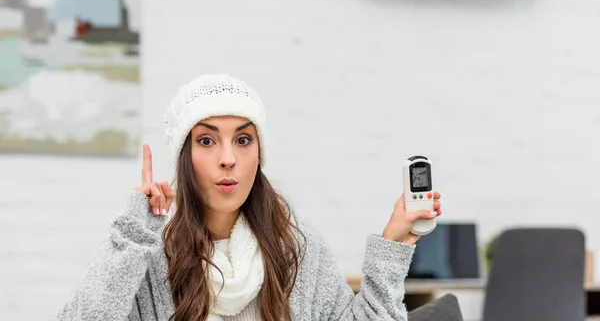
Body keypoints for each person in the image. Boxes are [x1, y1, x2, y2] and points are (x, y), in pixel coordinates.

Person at [56, 74, 442, 321]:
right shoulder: (148, 254)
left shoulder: (296, 249)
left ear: (259, 153)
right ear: (183, 156)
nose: (228, 159)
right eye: (206, 140)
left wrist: (392, 246)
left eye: (243, 140)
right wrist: (132, 236)